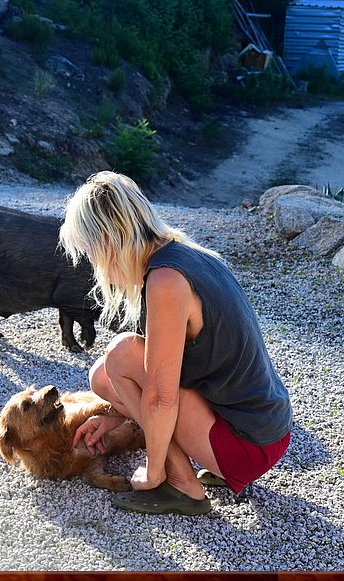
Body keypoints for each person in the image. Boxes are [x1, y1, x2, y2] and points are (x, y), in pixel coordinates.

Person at [59, 171, 292, 515]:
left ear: (108, 238)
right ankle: (199, 471)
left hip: (249, 445)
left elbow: (160, 397)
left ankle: (182, 484)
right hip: (268, 428)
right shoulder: (187, 254)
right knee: (103, 376)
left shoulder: (166, 280)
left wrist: (153, 470)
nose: (93, 264)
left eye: (90, 251)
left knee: (121, 354)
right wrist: (115, 417)